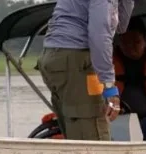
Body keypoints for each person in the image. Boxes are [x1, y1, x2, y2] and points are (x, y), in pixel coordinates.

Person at [35, 0, 135, 141]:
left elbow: (121, 27)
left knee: (75, 136)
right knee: (94, 140)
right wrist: (109, 87)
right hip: (75, 58)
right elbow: (100, 36)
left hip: (54, 58)